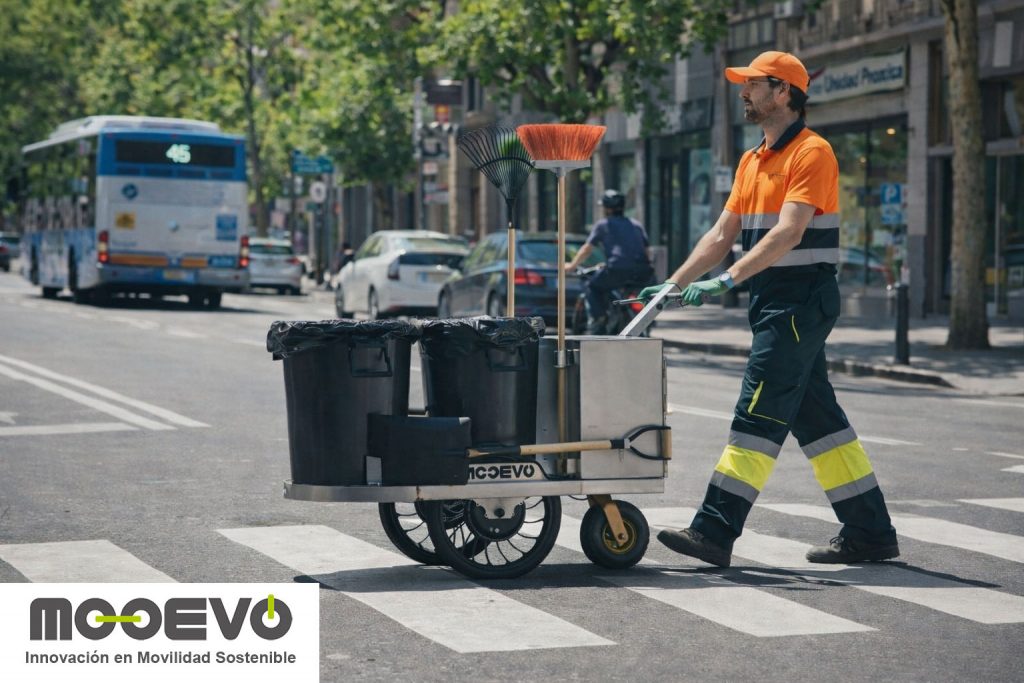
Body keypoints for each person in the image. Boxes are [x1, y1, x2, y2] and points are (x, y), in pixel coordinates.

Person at [639, 51, 899, 567]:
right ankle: (870, 532)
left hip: (801, 299)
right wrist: (673, 283)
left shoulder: (812, 152)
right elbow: (720, 234)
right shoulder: (752, 158)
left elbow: (790, 231)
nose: (744, 92)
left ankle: (714, 530)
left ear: (783, 92)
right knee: (821, 424)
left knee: (756, 411)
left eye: (754, 84)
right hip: (772, 301)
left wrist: (727, 280)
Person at [564, 189, 654, 333]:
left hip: (617, 269)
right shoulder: (636, 224)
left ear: (606, 208)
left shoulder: (603, 225)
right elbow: (648, 252)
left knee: (592, 286)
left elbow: (587, 248)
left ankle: (599, 318)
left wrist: (571, 266)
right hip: (643, 271)